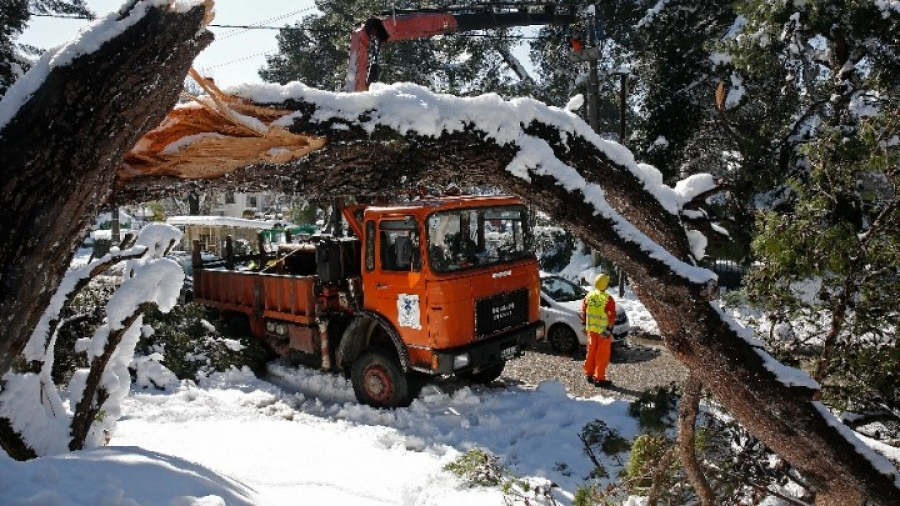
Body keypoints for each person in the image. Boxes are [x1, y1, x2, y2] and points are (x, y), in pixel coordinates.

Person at [581, 273, 616, 387]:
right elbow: (611, 316)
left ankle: (589, 374)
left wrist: (586, 325)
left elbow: (584, 313)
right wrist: (609, 330)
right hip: (603, 332)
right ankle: (599, 379)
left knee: (591, 352)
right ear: (605, 285)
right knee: (602, 355)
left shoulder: (588, 296)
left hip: (591, 330)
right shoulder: (608, 299)